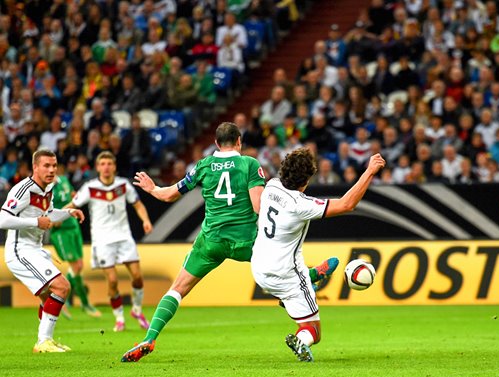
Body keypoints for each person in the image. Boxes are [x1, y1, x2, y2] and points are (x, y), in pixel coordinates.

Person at [121, 122, 337, 362]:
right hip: (247, 241)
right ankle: (307, 277)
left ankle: (149, 339)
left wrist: (153, 189)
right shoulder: (249, 164)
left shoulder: (203, 166)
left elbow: (169, 194)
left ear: (216, 143)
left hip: (211, 241)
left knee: (178, 289)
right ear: (239, 141)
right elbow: (258, 206)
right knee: (277, 268)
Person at [251, 148, 386, 361]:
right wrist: (369, 171)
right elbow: (346, 204)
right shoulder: (299, 204)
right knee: (313, 329)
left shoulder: (271, 186)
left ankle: (309, 277)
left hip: (258, 268)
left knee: (293, 284)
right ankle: (301, 340)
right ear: (306, 180)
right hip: (285, 275)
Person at [0, 149, 85, 353]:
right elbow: (2, 219)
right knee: (62, 287)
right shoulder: (23, 189)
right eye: (46, 166)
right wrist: (35, 221)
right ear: (35, 167)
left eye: (54, 166)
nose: (51, 170)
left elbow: (48, 215)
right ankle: (43, 341)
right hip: (20, 251)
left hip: (35, 250)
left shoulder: (48, 189)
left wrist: (68, 213)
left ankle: (46, 340)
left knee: (50, 298)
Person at [68, 151, 153, 332]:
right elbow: (73, 206)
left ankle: (137, 310)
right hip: (102, 240)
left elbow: (137, 204)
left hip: (124, 236)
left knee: (137, 277)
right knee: (113, 280)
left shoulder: (123, 185)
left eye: (109, 163)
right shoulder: (89, 188)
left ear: (114, 166)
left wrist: (145, 220)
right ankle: (120, 318)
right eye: (103, 164)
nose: (106, 167)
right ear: (98, 167)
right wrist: (53, 216)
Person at [50, 164, 101, 319]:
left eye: (53, 165)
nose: (51, 169)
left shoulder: (64, 180)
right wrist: (53, 218)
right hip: (61, 231)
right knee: (76, 265)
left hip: (73, 226)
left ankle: (58, 298)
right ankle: (85, 304)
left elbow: (73, 195)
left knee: (78, 266)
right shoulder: (45, 188)